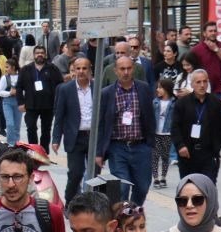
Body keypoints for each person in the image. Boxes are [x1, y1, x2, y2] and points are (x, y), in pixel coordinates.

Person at [96, 55, 154, 205]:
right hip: (118, 147)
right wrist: (99, 152)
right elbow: (101, 124)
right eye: (122, 69)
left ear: (133, 69)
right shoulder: (107, 93)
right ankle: (122, 218)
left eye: (129, 68)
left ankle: (133, 212)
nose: (126, 72)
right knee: (122, 186)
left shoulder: (144, 88)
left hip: (141, 146)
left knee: (142, 186)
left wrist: (150, 145)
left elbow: (150, 116)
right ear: (115, 71)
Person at [171, 69, 221, 183]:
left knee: (207, 188)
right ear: (192, 84)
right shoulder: (182, 103)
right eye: (198, 82)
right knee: (189, 189)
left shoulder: (215, 102)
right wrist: (180, 145)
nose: (202, 85)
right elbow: (175, 127)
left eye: (205, 81)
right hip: (188, 154)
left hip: (209, 154)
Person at [51, 57, 95, 201]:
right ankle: (70, 202)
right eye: (78, 68)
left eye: (84, 68)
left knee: (95, 174)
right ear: (74, 70)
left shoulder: (97, 87)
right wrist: (56, 139)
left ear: (90, 70)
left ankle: (91, 203)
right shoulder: (65, 89)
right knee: (75, 173)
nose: (81, 71)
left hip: (94, 137)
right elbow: (59, 116)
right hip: (75, 137)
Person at [18, 45, 62, 150]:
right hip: (31, 104)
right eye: (37, 53)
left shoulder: (53, 68)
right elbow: (19, 87)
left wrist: (58, 102)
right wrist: (20, 102)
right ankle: (33, 149)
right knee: (31, 127)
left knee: (46, 129)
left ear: (45, 54)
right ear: (34, 55)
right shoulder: (26, 69)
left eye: (42, 53)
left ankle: (43, 150)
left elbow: (60, 86)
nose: (40, 55)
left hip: (48, 105)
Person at [188, 21, 221, 96]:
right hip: (202, 91)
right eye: (210, 31)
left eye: (215, 31)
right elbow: (190, 69)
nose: (213, 33)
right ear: (204, 33)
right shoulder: (196, 49)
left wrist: (216, 49)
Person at [151, 77, 175, 189]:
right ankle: (155, 178)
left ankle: (163, 177)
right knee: (155, 156)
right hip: (156, 132)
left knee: (165, 156)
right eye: (157, 88)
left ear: (167, 88)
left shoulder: (174, 102)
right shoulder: (155, 102)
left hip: (167, 133)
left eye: (160, 87)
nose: (158, 90)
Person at [0, 56, 23, 145]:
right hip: (7, 102)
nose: (6, 69)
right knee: (10, 123)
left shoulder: (20, 77)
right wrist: (9, 93)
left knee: (17, 125)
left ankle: (17, 142)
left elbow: (25, 89)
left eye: (7, 67)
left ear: (13, 67)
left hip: (18, 102)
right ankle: (11, 143)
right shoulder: (4, 78)